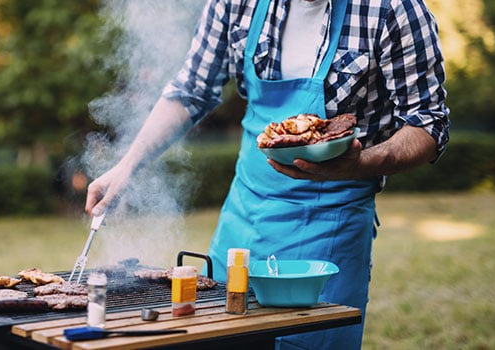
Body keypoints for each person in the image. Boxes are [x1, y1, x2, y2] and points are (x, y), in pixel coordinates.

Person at [85, 0, 450, 348]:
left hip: (329, 229)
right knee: (217, 339)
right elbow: (190, 90)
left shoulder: (395, 9)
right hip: (242, 223)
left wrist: (360, 164)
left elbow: (429, 126)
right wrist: (127, 166)